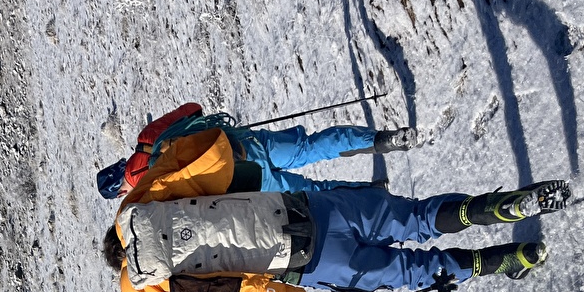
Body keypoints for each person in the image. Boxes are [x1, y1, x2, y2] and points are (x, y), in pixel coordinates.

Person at [102, 128, 567, 292]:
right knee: (415, 218)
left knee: (412, 271)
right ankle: (486, 208)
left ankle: (507, 259)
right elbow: (219, 160)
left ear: (126, 268)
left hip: (313, 262)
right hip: (308, 208)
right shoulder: (154, 206)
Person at [96, 102, 417, 200]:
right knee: (309, 147)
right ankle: (383, 140)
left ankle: (374, 194)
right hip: (239, 144)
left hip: (239, 180)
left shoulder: (155, 190)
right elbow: (194, 108)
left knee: (311, 193)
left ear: (122, 191)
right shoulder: (148, 139)